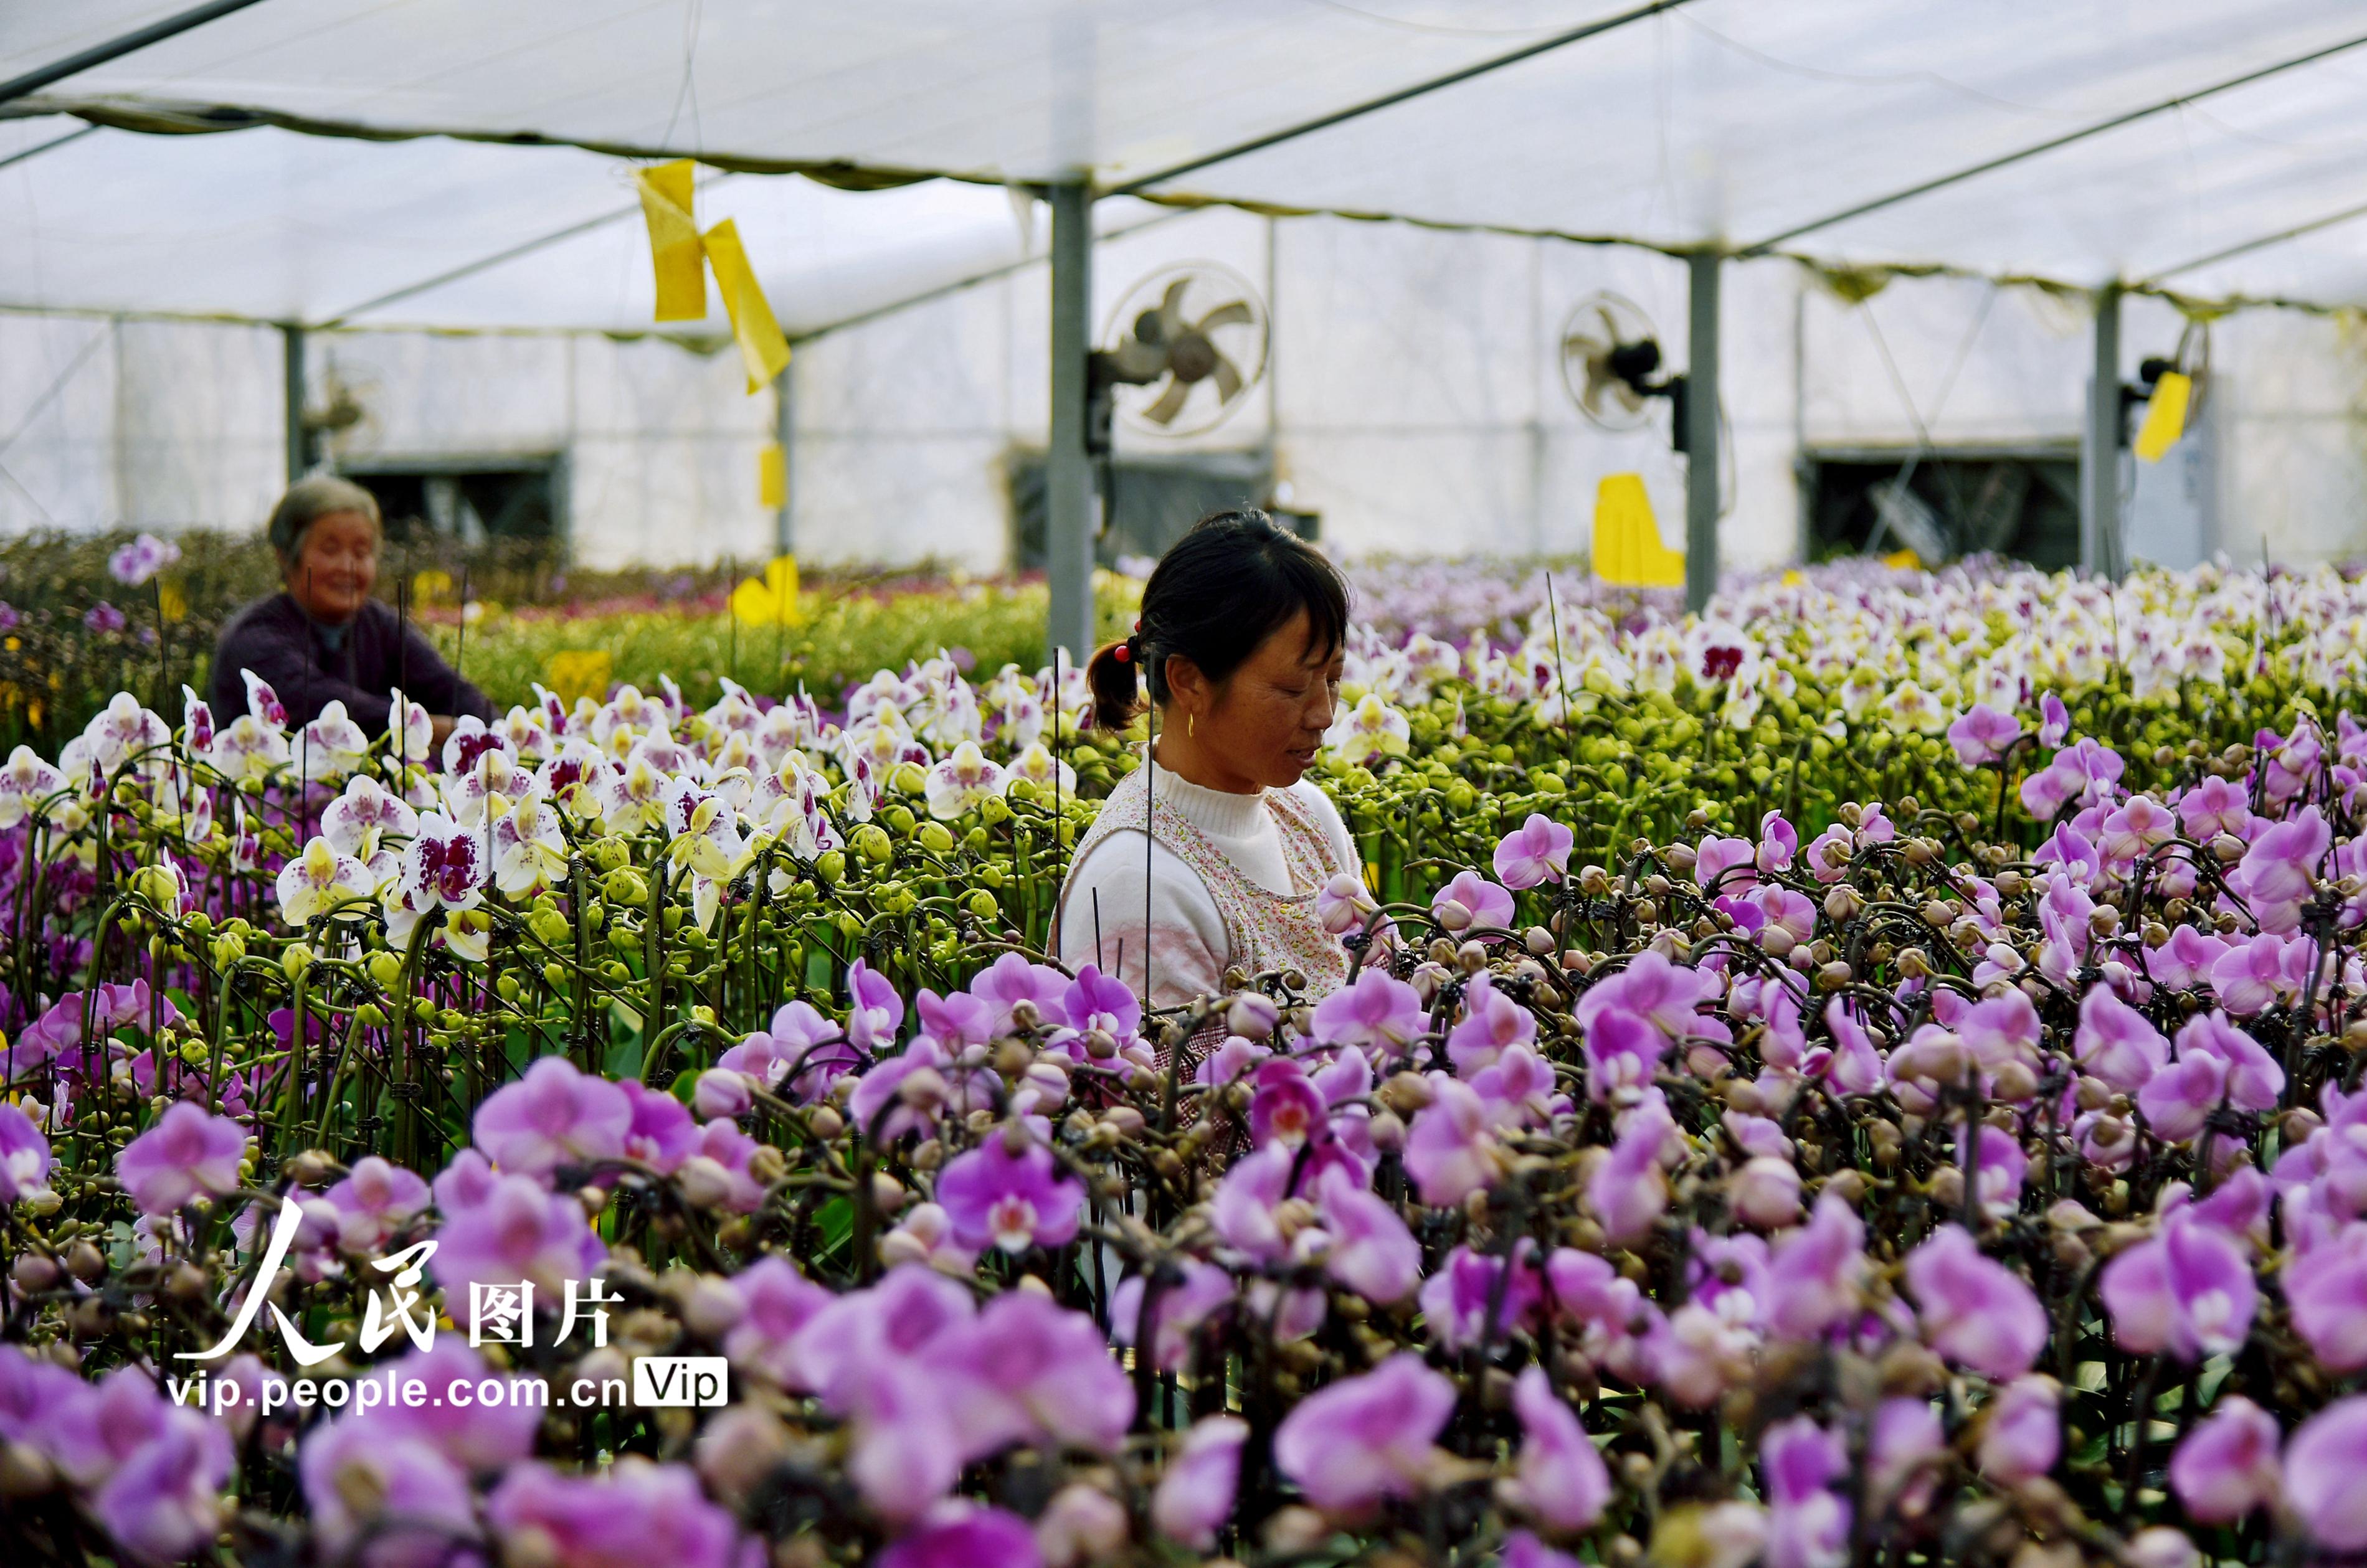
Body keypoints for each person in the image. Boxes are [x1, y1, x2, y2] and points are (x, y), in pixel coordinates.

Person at [1057, 511, 1360, 1013]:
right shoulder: (1138, 884)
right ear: (1189, 682)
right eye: (1292, 688)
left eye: (1332, 679)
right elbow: (1164, 1089)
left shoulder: (1309, 816)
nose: (1324, 715)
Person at [209, 476, 494, 749]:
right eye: (330, 550)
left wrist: (490, 730)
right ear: (285, 556)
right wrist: (427, 728)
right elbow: (317, 703)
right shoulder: (255, 636)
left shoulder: (379, 624)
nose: (348, 567)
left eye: (361, 552)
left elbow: (448, 689)